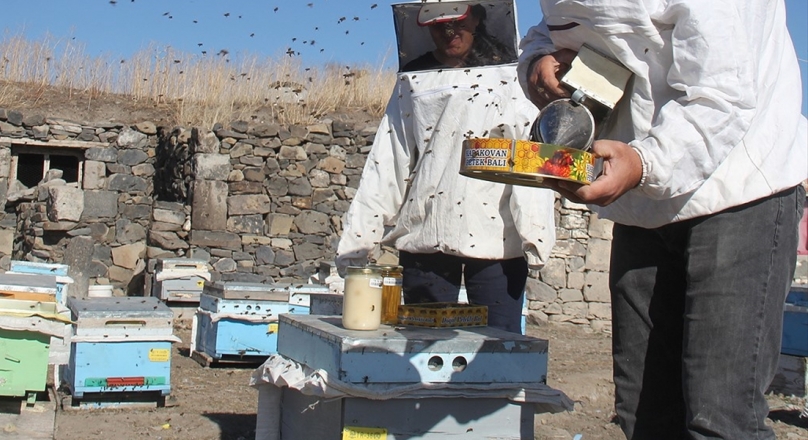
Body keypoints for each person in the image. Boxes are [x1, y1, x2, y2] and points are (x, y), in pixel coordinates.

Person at [518, 0, 808, 438]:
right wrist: (538, 64)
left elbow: (723, 95)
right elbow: (555, 28)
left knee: (720, 417)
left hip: (740, 184)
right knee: (644, 414)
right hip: (643, 203)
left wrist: (644, 163)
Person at [335, 0, 556, 334]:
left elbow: (526, 154)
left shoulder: (512, 77)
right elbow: (388, 160)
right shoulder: (413, 79)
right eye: (439, 26)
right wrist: (358, 242)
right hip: (426, 234)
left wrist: (535, 232)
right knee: (424, 351)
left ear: (478, 18)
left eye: (457, 23)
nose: (449, 33)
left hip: (497, 237)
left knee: (499, 350)